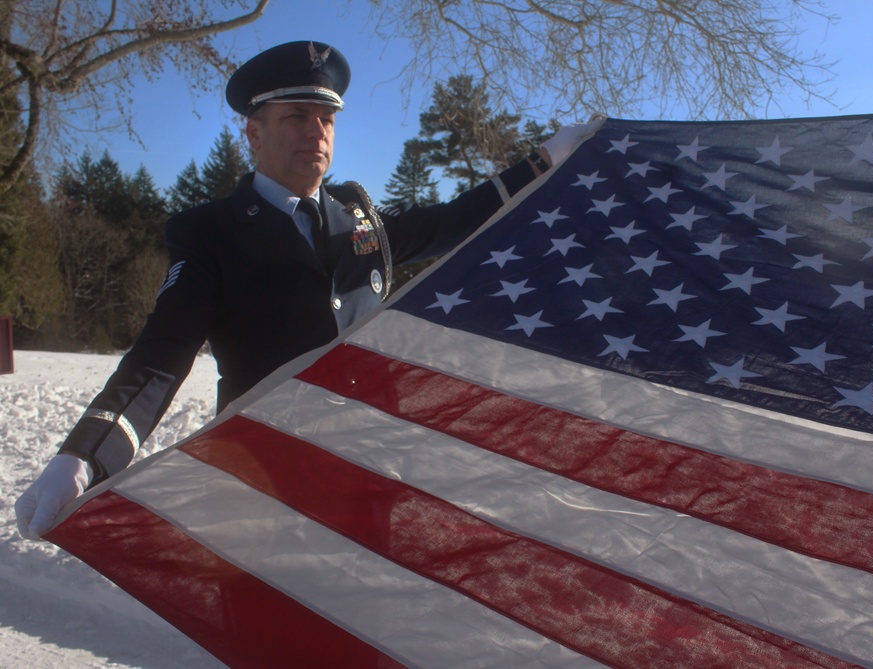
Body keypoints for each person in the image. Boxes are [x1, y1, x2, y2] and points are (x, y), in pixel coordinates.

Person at [15, 40, 599, 540]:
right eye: (296, 116)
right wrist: (85, 453)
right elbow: (160, 356)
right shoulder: (210, 232)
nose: (315, 132)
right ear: (254, 131)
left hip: (371, 468)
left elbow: (452, 222)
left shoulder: (359, 217)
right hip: (266, 479)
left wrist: (545, 162)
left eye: (326, 119)